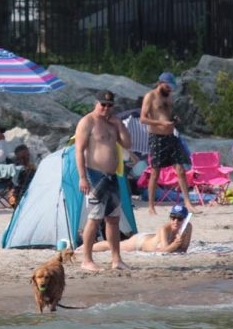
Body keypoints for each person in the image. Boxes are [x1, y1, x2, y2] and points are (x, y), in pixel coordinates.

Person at [74, 89, 132, 272]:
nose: (106, 108)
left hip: (112, 176)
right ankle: (87, 259)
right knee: (94, 218)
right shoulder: (87, 121)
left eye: (110, 105)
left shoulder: (113, 123)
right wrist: (82, 177)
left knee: (113, 219)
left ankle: (116, 259)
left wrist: (119, 124)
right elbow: (79, 151)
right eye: (103, 105)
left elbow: (127, 144)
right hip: (94, 175)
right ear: (96, 104)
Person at [140, 72, 199, 215]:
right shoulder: (151, 96)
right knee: (155, 172)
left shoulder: (169, 97)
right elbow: (143, 118)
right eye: (168, 86)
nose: (170, 89)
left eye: (171, 87)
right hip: (156, 138)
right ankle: (151, 207)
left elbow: (168, 115)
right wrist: (160, 122)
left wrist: (174, 119)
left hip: (171, 137)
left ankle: (188, 203)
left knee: (180, 170)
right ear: (160, 83)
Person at [82, 204, 193, 253]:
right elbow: (163, 251)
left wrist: (179, 243)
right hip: (140, 242)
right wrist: (175, 244)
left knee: (114, 245)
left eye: (179, 219)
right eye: (173, 217)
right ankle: (83, 248)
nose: (175, 221)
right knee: (112, 246)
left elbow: (184, 249)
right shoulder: (165, 229)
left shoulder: (188, 227)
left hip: (149, 238)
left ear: (185, 219)